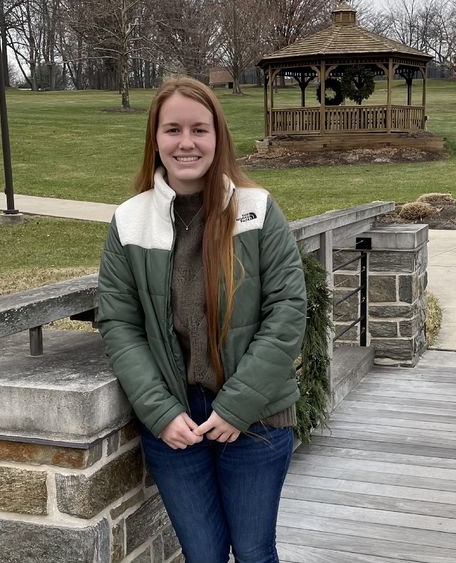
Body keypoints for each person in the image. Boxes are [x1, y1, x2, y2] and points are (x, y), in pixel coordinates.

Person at [96, 77, 306, 563]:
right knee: (203, 555)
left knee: (254, 552)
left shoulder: (257, 211)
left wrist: (238, 406)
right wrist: (160, 411)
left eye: (199, 129)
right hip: (174, 421)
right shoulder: (130, 221)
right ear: (155, 139)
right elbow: (120, 324)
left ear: (218, 137)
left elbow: (287, 310)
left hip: (256, 418)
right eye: (172, 130)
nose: (186, 143)